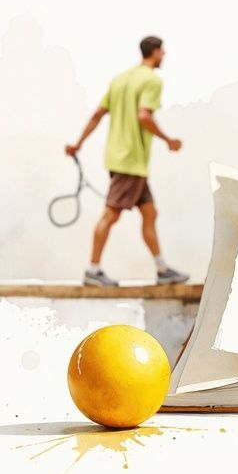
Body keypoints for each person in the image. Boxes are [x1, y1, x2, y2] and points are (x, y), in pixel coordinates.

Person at [65, 36, 189, 287]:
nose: (163, 56)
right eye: (162, 52)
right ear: (153, 53)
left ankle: (162, 268)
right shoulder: (152, 80)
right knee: (111, 215)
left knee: (150, 212)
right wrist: (168, 140)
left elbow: (98, 114)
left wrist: (78, 143)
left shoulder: (119, 80)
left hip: (125, 161)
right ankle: (93, 270)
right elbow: (144, 115)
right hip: (130, 161)